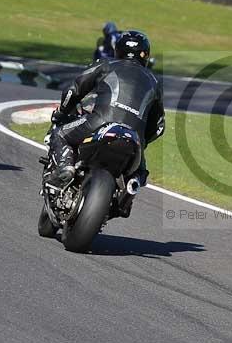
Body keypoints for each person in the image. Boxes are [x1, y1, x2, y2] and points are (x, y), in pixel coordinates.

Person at [46, 30, 164, 215]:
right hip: (133, 139)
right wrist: (142, 140)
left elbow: (74, 89)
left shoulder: (106, 64)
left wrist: (62, 112)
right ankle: (128, 193)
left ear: (118, 49)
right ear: (146, 55)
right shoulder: (155, 83)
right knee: (141, 172)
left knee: (59, 134)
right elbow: (159, 127)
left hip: (99, 122)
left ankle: (66, 167)